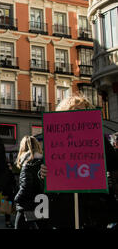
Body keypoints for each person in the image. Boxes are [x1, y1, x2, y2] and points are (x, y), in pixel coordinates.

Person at [39, 95, 118, 229]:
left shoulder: (98, 139)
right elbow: (45, 174)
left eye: (82, 111)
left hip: (95, 209)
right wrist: (42, 173)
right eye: (74, 110)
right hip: (65, 208)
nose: (78, 114)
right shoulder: (56, 141)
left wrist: (110, 182)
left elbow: (115, 165)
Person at [14, 136, 46, 229]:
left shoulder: (27, 164)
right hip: (41, 204)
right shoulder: (43, 162)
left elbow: (25, 187)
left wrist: (16, 199)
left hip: (27, 206)